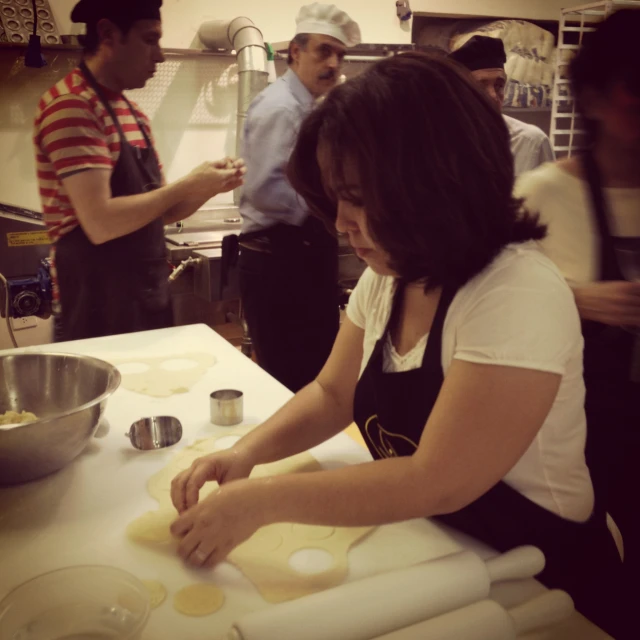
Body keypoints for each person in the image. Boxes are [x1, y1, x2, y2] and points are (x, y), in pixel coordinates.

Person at [169, 54, 627, 636]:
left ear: (438, 184)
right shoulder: (392, 274)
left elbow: (438, 479)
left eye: (358, 197)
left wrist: (262, 503)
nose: (340, 223)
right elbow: (333, 392)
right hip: (448, 555)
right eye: (337, 196)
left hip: (547, 581)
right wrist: (247, 454)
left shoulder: (516, 291)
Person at [34, 0, 245, 342]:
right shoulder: (72, 107)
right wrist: (188, 182)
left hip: (145, 304)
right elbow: (100, 222)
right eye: (150, 40)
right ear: (108, 35)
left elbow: (159, 212)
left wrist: (210, 186)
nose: (159, 56)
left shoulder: (133, 115)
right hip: (95, 312)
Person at [516, 9, 640, 586]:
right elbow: (490, 304)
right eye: (632, 86)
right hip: (585, 431)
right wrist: (576, 299)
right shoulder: (542, 193)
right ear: (590, 99)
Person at [236, 3, 361, 392]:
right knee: (291, 380)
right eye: (324, 50)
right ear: (295, 51)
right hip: (281, 264)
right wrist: (334, 206)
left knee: (314, 373)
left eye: (339, 55)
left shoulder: (307, 106)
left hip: (299, 259)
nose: (333, 63)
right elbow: (266, 190)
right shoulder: (283, 108)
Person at [449, 35, 555, 177]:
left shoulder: (530, 142)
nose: (493, 95)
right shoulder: (441, 140)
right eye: (480, 86)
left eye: (499, 85)